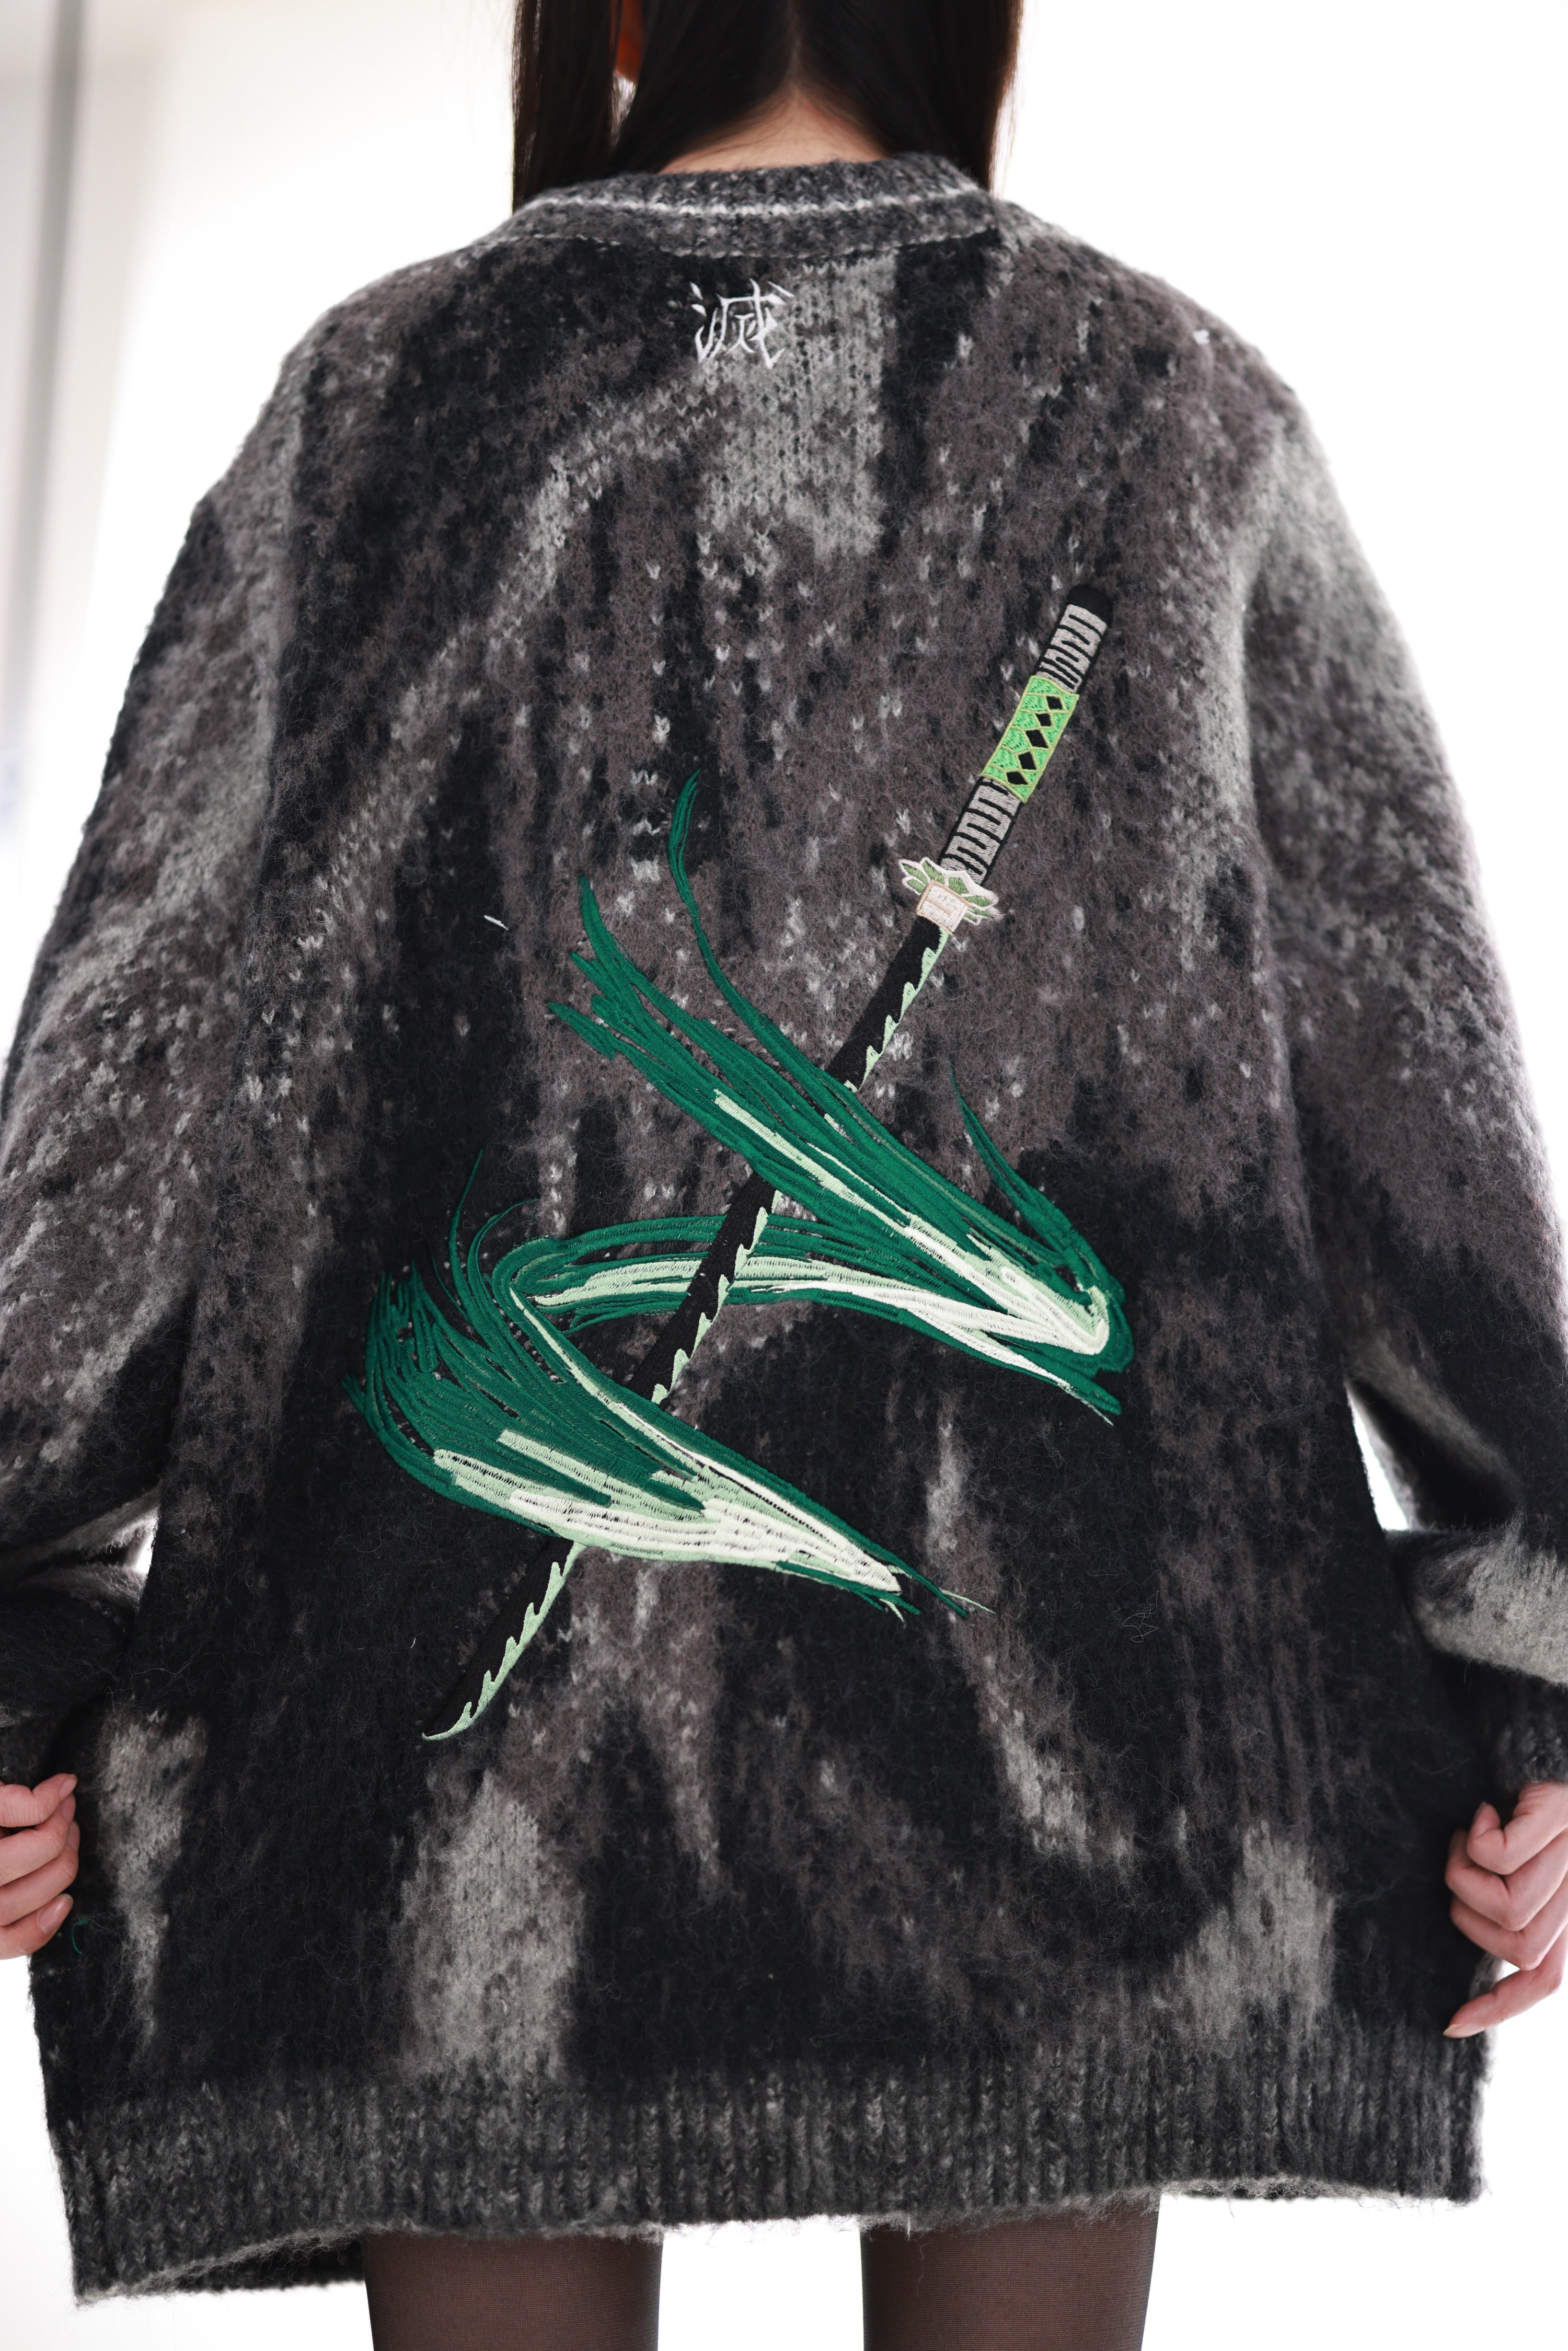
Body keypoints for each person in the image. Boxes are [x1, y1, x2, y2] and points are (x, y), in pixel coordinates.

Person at [3, 0, 1567, 2344]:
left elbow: (122, 1107)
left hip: (447, 1784)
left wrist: (18, 1646)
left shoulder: (376, 409)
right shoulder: (1176, 411)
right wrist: (1534, 1666)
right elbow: (1414, 1113)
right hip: (1072, 1761)